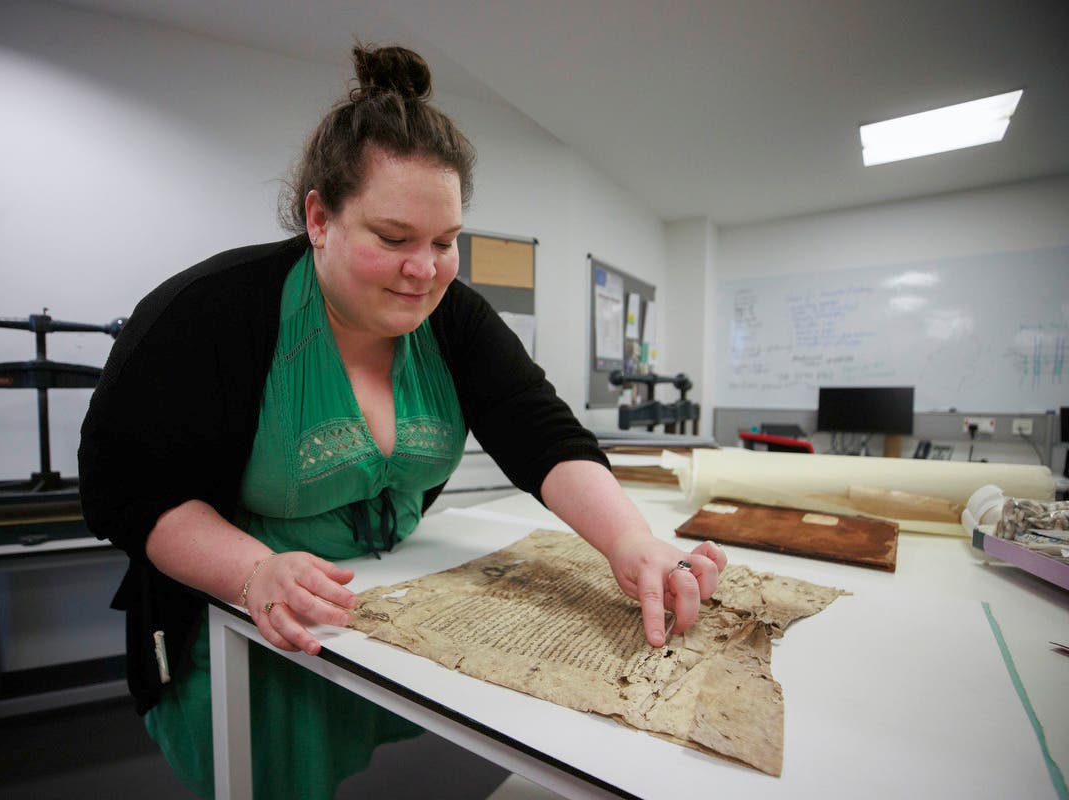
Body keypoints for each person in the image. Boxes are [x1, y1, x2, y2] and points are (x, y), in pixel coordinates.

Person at [79, 43, 726, 800]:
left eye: (445, 243)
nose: (425, 270)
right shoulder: (213, 313)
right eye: (393, 240)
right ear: (320, 217)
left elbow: (541, 432)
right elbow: (125, 489)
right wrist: (252, 572)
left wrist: (630, 540)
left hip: (380, 604)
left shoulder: (454, 317)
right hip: (243, 613)